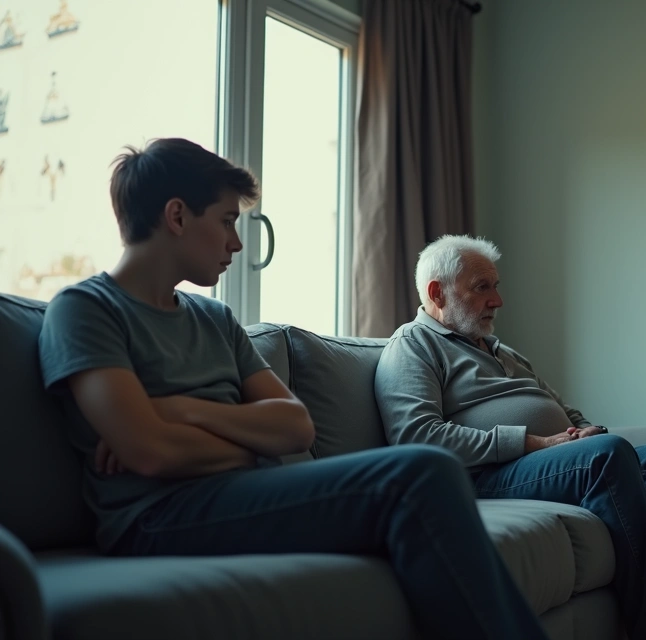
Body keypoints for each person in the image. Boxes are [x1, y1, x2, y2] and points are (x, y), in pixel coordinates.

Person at [37, 138, 550, 640]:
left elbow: (295, 427)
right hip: (155, 517)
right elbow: (150, 451)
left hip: (238, 493)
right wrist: (246, 440)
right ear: (176, 217)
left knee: (422, 478)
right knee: (418, 472)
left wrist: (178, 409)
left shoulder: (215, 319)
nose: (236, 243)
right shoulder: (86, 310)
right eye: (226, 221)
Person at [373, 235, 646, 640]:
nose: (498, 300)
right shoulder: (413, 344)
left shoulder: (502, 351)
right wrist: (535, 443)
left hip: (546, 465)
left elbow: (564, 409)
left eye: (496, 286)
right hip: (485, 476)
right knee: (605, 455)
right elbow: (416, 436)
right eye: (483, 287)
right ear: (436, 292)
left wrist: (584, 430)